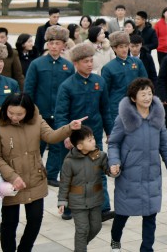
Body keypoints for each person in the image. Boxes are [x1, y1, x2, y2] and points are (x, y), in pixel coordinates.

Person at [0, 93, 84, 252]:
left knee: (35, 220)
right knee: (9, 223)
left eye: (19, 114)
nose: (14, 117)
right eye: (11, 113)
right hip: (10, 183)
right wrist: (12, 176)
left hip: (35, 177)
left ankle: (25, 249)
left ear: (28, 111)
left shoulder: (37, 120)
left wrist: (69, 128)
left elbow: (51, 136)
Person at [108, 78, 167, 251]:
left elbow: (164, 145)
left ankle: (147, 248)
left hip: (152, 175)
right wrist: (114, 162)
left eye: (149, 93)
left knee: (150, 215)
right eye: (143, 94)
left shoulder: (158, 117)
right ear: (133, 98)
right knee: (123, 213)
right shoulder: (124, 118)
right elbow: (113, 143)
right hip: (129, 175)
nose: (147, 97)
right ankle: (115, 238)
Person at [55, 42, 112, 220]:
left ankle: (103, 208)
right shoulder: (67, 86)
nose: (89, 64)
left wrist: (110, 131)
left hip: (94, 135)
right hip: (75, 137)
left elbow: (106, 109)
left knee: (99, 169)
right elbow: (61, 114)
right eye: (85, 61)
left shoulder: (99, 81)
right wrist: (66, 135)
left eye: (91, 60)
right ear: (76, 63)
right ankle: (71, 207)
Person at [23, 25, 74, 186]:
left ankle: (51, 175)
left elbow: (72, 90)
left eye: (58, 43)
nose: (54, 47)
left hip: (60, 114)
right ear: (47, 44)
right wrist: (29, 110)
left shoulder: (68, 66)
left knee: (58, 147)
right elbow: (29, 89)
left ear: (63, 45)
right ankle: (34, 173)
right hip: (40, 112)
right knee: (37, 145)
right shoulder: (37, 64)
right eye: (51, 43)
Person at [59, 126, 117, 252]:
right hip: (77, 203)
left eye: (93, 138)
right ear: (80, 146)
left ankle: (80, 247)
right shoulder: (69, 161)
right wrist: (62, 201)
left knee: (96, 227)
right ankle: (81, 249)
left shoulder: (100, 156)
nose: (94, 141)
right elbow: (64, 182)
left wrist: (114, 171)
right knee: (82, 229)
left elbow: (108, 171)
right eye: (89, 140)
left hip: (95, 200)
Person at [102, 31, 148, 135]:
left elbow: (145, 83)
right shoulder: (108, 68)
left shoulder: (137, 62)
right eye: (121, 47)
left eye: (126, 46)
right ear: (114, 48)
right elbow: (105, 92)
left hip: (136, 105)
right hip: (116, 107)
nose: (124, 49)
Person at [134, 11, 159, 80]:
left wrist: (144, 47)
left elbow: (155, 44)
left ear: (144, 20)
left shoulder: (151, 31)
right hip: (134, 56)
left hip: (146, 56)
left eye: (138, 19)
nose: (136, 21)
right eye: (135, 19)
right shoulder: (134, 31)